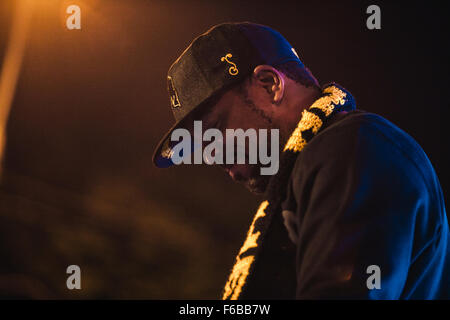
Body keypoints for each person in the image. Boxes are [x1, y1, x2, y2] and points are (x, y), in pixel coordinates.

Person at [153, 22, 449, 299]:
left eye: (215, 131)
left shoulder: (352, 147)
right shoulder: (330, 159)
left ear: (270, 84)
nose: (213, 156)